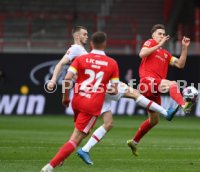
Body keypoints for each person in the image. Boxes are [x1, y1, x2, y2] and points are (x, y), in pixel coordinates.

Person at [46, 26, 177, 165]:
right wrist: (53, 80)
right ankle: (165, 112)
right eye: (84, 34)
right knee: (135, 93)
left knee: (107, 124)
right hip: (101, 87)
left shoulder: (83, 53)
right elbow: (61, 64)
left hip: (93, 92)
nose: (86, 36)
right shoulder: (77, 49)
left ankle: (81, 151)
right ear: (77, 36)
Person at [41, 31, 120, 172]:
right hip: (92, 105)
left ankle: (61, 158)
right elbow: (114, 90)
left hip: (76, 101)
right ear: (105, 43)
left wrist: (65, 97)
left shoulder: (81, 59)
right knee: (76, 138)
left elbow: (67, 79)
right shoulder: (112, 63)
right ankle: (50, 167)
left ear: (91, 44)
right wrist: (101, 87)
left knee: (78, 133)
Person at [127, 24, 194, 156]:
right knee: (173, 84)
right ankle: (183, 104)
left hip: (155, 87)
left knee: (154, 121)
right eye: (159, 34)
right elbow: (142, 54)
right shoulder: (150, 43)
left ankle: (134, 142)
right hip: (147, 82)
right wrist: (158, 44)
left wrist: (184, 48)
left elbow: (180, 64)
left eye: (163, 34)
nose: (162, 36)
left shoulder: (165, 54)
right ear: (153, 35)